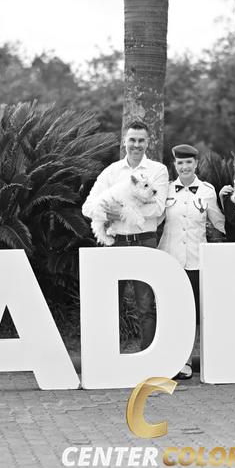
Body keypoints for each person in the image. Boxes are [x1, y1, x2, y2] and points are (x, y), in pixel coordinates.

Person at [81, 121, 169, 349]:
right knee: (111, 304)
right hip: (116, 243)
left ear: (148, 142)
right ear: (124, 141)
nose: (136, 145)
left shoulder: (158, 170)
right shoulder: (111, 172)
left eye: (141, 140)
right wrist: (115, 213)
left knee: (146, 305)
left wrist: (119, 212)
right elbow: (88, 207)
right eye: (132, 139)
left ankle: (149, 356)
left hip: (145, 241)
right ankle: (110, 356)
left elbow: (158, 208)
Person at [158, 144, 225, 379]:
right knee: (171, 312)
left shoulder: (207, 191)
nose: (184, 167)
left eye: (189, 162)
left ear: (196, 164)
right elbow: (154, 219)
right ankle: (168, 358)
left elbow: (219, 222)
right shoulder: (166, 190)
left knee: (192, 313)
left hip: (197, 261)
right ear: (174, 165)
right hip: (170, 259)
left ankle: (185, 360)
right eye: (180, 163)